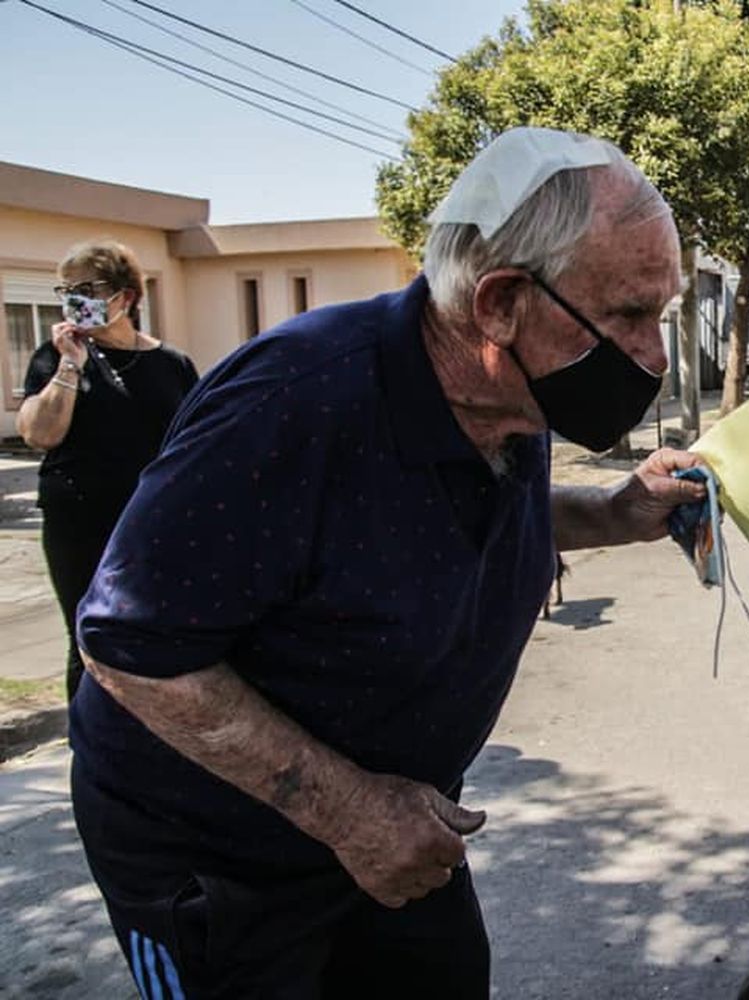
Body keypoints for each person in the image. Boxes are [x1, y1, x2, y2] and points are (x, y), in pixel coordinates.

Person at [69, 128, 704, 997]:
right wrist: (350, 811)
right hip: (225, 860)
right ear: (500, 303)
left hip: (397, 824)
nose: (655, 357)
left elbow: (450, 519)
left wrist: (612, 512)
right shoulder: (295, 401)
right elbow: (127, 643)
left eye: (659, 316)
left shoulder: (508, 395)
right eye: (630, 316)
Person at [16, 240, 199, 700]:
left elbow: (194, 444)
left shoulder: (171, 365)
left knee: (156, 632)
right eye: (68, 290)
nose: (76, 300)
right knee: (87, 638)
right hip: (78, 521)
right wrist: (68, 368)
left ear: (126, 298)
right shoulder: (54, 357)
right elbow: (40, 434)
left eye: (88, 289)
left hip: (149, 522)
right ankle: (89, 745)